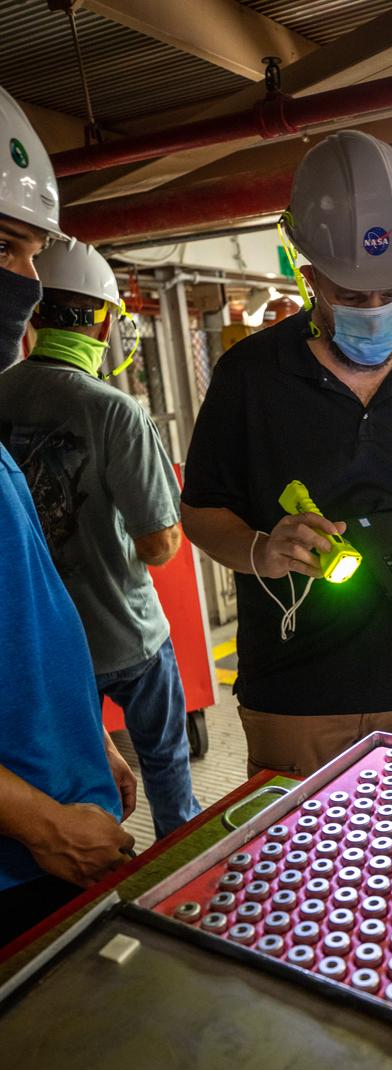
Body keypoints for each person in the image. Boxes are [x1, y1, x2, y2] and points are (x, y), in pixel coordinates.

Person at [181, 130, 392, 779]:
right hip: (295, 689)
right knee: (300, 873)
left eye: (391, 292)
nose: (375, 310)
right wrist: (261, 550)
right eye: (352, 295)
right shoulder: (249, 376)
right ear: (307, 276)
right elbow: (199, 512)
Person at [0, 236, 200, 840]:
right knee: (165, 764)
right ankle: (178, 864)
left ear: (36, 313)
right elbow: (160, 544)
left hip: (45, 650)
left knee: (77, 780)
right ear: (106, 321)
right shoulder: (116, 410)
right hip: (127, 636)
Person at [0, 86, 134, 946]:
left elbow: (30, 616)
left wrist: (92, 740)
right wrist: (38, 820)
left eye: (31, 256)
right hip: (21, 858)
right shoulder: (115, 411)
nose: (25, 285)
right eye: (5, 247)